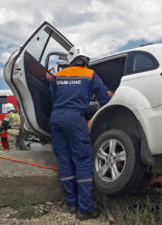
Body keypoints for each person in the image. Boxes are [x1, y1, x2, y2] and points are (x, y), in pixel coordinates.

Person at [49, 46, 110, 220]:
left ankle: (71, 204)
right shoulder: (90, 75)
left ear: (70, 60)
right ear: (86, 60)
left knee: (64, 160)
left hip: (56, 118)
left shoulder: (57, 76)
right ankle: (85, 209)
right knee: (82, 161)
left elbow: (53, 98)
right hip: (75, 119)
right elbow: (104, 100)